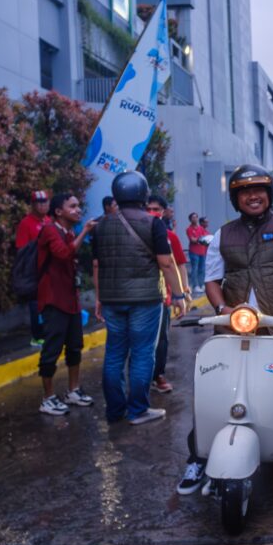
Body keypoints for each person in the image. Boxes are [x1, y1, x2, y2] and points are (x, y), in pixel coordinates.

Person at [176, 165, 273, 494]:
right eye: (244, 192)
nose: (252, 196)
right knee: (211, 390)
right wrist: (221, 309)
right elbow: (213, 280)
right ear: (236, 198)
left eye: (259, 190)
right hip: (234, 328)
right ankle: (198, 457)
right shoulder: (222, 234)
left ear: (269, 195)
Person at [91, 171, 185, 426]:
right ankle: (138, 410)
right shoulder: (153, 223)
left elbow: (97, 265)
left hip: (112, 299)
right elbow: (166, 264)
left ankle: (114, 412)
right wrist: (178, 295)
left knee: (114, 354)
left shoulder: (100, 226)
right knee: (143, 353)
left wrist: (99, 298)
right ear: (143, 194)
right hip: (145, 300)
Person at [35, 193, 99, 415]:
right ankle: (48, 398)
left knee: (74, 346)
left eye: (79, 206)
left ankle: (73, 390)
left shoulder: (67, 232)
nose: (78, 209)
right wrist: (84, 232)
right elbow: (63, 254)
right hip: (53, 300)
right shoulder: (50, 230)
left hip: (70, 300)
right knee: (51, 350)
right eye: (72, 206)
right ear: (58, 211)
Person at [147, 195, 190, 394]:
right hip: (141, 296)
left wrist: (183, 292)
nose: (152, 212)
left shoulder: (169, 236)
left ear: (163, 211)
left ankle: (158, 375)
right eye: (148, 208)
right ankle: (141, 379)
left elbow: (179, 265)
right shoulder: (137, 232)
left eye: (156, 208)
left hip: (163, 295)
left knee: (162, 339)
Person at [15, 189, 50, 346]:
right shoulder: (26, 223)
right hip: (34, 272)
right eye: (39, 203)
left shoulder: (49, 221)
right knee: (36, 305)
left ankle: (48, 332)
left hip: (50, 270)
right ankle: (37, 336)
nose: (43, 206)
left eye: (45, 202)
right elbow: (21, 250)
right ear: (33, 205)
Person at [186, 212, 209, 292]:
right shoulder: (189, 229)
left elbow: (206, 237)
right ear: (190, 219)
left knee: (202, 269)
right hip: (194, 252)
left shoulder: (201, 228)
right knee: (194, 269)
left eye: (196, 217)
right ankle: (195, 286)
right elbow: (192, 240)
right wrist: (200, 239)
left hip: (202, 251)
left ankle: (201, 285)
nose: (195, 219)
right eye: (193, 217)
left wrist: (198, 239)